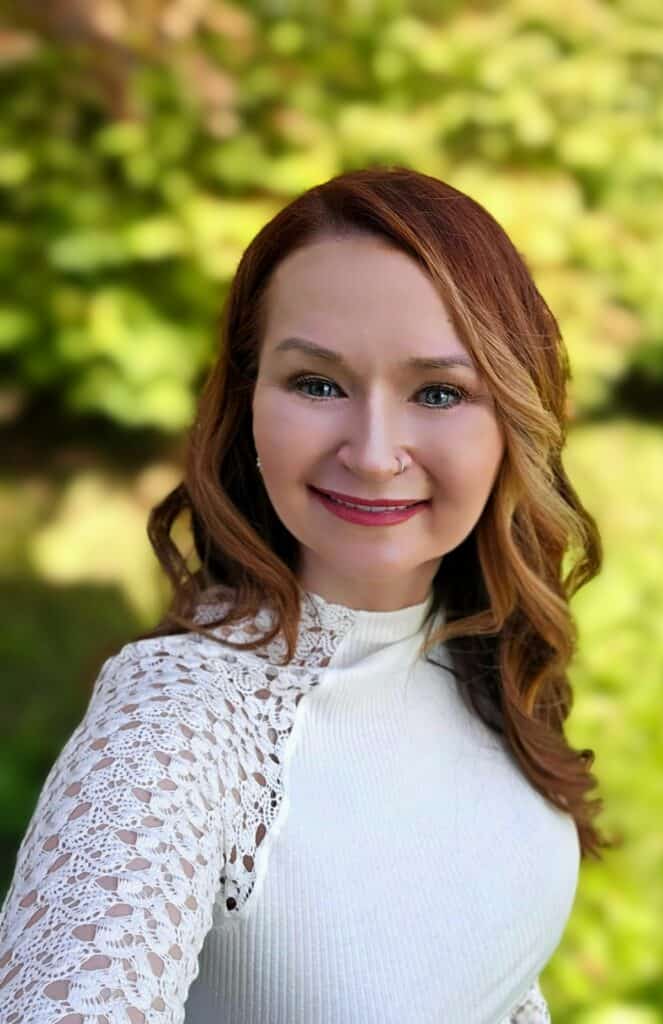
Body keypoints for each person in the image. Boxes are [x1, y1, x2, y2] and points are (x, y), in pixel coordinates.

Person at [0, 165, 612, 1023]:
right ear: (247, 403)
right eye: (318, 384)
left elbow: (488, 984)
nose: (372, 452)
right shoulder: (174, 724)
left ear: (514, 419)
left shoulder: (480, 656)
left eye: (438, 392)